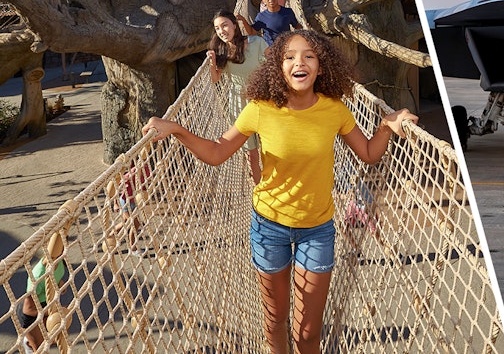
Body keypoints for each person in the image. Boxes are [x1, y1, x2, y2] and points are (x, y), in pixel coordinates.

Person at [142, 30, 418, 354]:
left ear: (321, 66)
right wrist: (176, 129)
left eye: (308, 56)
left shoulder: (334, 110)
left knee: (307, 334)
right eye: (289, 57)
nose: (299, 63)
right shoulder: (260, 109)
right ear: (278, 66)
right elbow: (217, 152)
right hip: (268, 227)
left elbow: (370, 153)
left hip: (317, 230)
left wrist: (386, 126)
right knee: (275, 323)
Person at [207, 9, 268, 180]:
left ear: (234, 24)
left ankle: (275, 184)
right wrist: (212, 62)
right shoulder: (221, 51)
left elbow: (275, 65)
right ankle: (259, 191)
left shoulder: (256, 42)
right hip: (238, 104)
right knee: (251, 153)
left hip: (263, 100)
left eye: (224, 25)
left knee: (270, 146)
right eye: (217, 29)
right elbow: (215, 79)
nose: (221, 31)